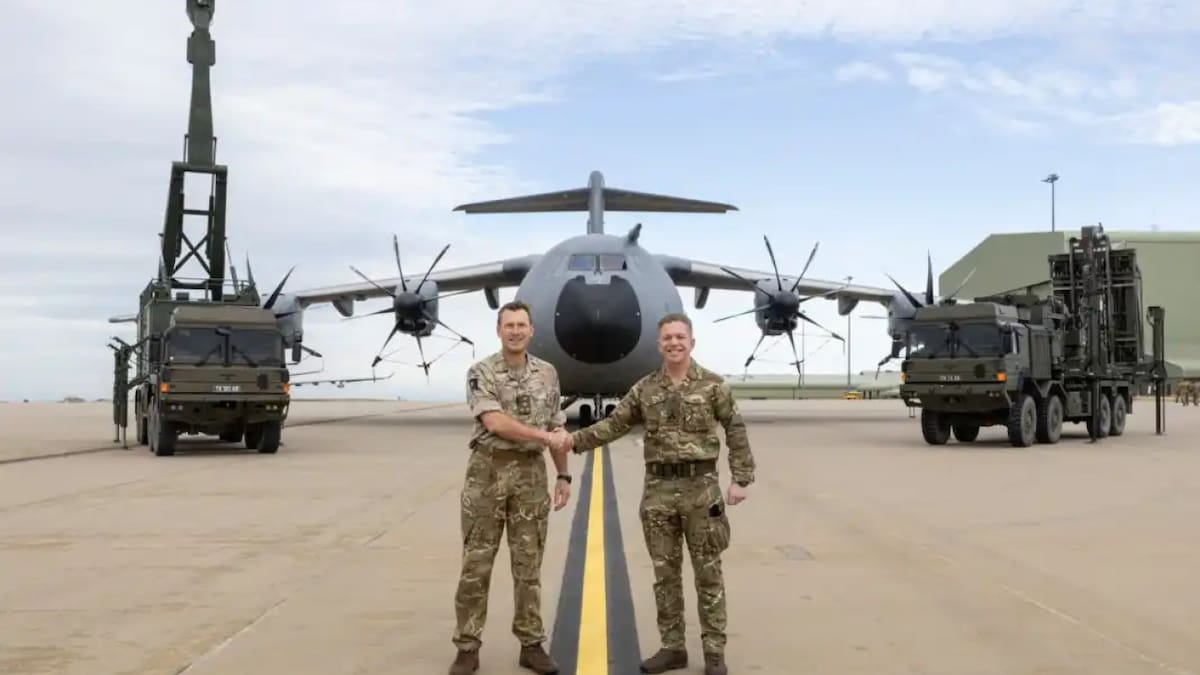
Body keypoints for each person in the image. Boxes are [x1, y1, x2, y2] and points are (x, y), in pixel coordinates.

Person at [552, 312, 755, 675]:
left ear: (692, 342)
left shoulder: (713, 386)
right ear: (659, 344)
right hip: (658, 491)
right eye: (667, 338)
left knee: (709, 573)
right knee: (665, 574)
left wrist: (741, 478)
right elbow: (615, 424)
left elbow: (735, 429)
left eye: (680, 337)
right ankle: (672, 647)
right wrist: (573, 441)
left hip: (701, 489)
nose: (674, 343)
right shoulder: (645, 389)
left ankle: (714, 653)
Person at [450, 300, 573, 675]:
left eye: (522, 325)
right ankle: (467, 647)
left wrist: (563, 475)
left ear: (531, 330)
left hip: (531, 477)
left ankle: (531, 644)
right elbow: (495, 422)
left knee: (528, 565)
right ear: (499, 331)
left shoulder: (548, 374)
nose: (516, 331)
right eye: (509, 325)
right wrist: (544, 437)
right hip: (488, 473)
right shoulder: (481, 371)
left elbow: (555, 425)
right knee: (476, 564)